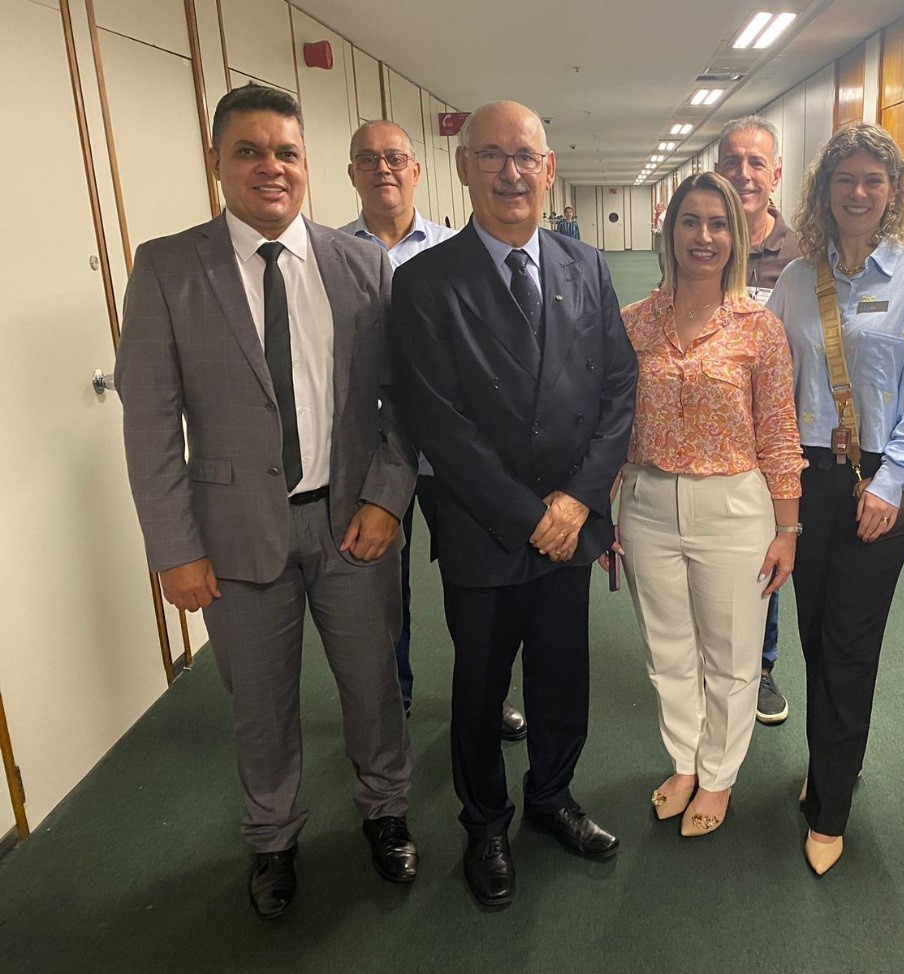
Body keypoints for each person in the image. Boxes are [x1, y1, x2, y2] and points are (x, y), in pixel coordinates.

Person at [114, 84, 418, 919]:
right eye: (248, 151)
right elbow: (150, 424)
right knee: (260, 704)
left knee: (373, 687)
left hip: (351, 522)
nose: (270, 167)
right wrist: (174, 547)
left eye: (285, 151)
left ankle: (385, 811)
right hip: (233, 534)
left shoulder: (361, 264)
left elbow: (401, 401)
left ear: (306, 163)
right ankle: (273, 838)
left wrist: (388, 498)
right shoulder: (169, 268)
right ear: (216, 162)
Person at [391, 101, 638, 909]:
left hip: (570, 525)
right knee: (479, 686)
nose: (509, 172)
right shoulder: (424, 281)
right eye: (491, 156)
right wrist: (532, 516)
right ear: (463, 167)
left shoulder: (584, 266)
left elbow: (617, 389)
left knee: (562, 677)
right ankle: (485, 822)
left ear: (548, 168)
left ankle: (552, 796)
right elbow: (438, 422)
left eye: (524, 156)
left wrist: (577, 500)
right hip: (482, 526)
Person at [768, 123, 904, 875]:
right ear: (823, 190)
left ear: (893, 192)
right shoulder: (793, 280)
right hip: (807, 480)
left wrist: (891, 481)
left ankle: (831, 805)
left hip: (881, 483)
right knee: (815, 630)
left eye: (874, 180)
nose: (858, 192)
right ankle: (828, 760)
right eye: (844, 178)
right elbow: (771, 386)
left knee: (850, 639)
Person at [613, 172, 803, 837]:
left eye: (718, 223)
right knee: (667, 651)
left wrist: (788, 529)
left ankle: (718, 775)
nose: (703, 236)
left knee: (730, 654)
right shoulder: (633, 323)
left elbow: (778, 431)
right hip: (647, 504)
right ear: (669, 233)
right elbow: (612, 427)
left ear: (736, 237)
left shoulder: (759, 328)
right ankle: (684, 762)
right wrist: (608, 511)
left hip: (733, 508)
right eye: (690, 222)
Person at [341, 120, 527, 741]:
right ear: (351, 173)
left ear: (417, 171)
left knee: (472, 591)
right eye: (369, 159)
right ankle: (393, 701)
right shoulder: (332, 257)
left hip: (452, 457)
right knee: (380, 594)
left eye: (396, 158)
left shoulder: (459, 252)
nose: (383, 169)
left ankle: (486, 695)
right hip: (373, 459)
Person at [715, 115, 805, 725]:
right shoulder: (705, 239)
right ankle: (714, 662)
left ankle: (762, 667)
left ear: (775, 174)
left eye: (756, 163)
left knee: (766, 552)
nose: (744, 173)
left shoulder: (802, 256)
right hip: (713, 436)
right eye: (732, 162)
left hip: (775, 435)